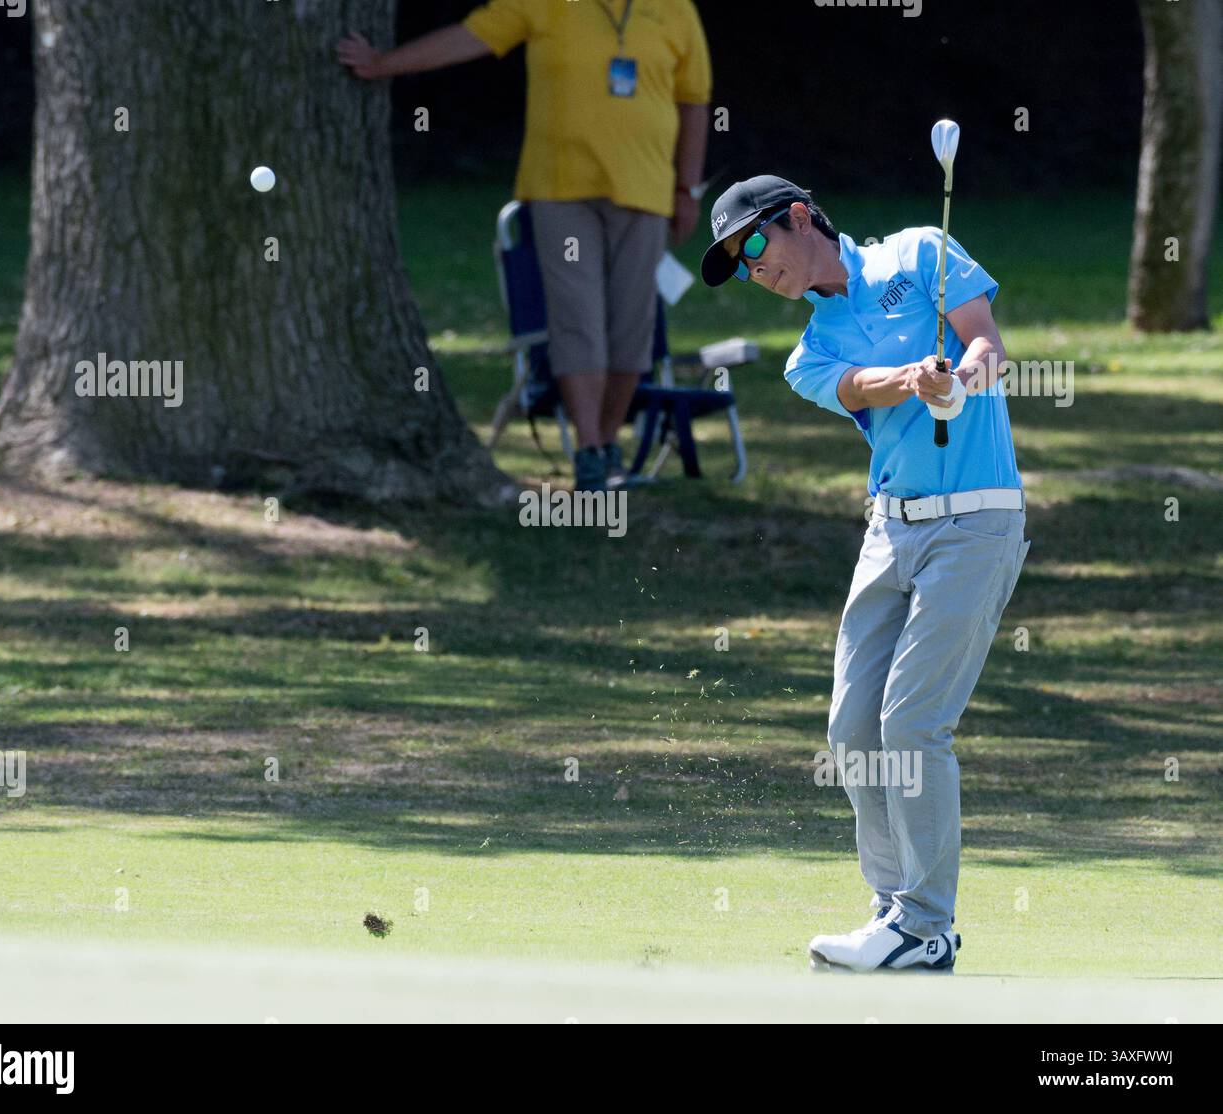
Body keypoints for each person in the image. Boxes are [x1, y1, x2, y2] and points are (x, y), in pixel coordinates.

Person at [700, 175, 1030, 973]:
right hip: (890, 530)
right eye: (738, 265)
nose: (752, 269)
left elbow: (987, 343)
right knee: (853, 730)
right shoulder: (808, 352)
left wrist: (963, 380)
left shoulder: (921, 251)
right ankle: (893, 912)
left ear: (801, 217)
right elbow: (857, 386)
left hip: (977, 519)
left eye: (752, 245)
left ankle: (925, 923)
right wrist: (919, 379)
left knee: (912, 724)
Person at [337, 2, 712, 491]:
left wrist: (687, 189)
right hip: (561, 190)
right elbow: (469, 36)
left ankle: (607, 442)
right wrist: (383, 63)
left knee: (631, 329)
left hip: (645, 193)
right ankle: (591, 452)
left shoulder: (675, 10)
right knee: (577, 319)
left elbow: (695, 102)